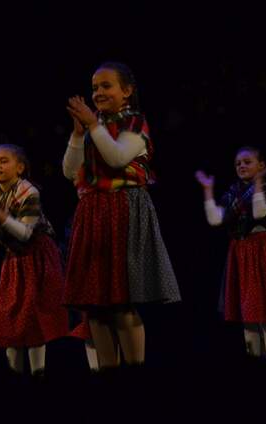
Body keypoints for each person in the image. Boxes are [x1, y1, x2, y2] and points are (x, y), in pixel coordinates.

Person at [62, 62, 181, 370]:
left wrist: (92, 125)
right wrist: (78, 133)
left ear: (127, 91)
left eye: (106, 86)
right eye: (94, 88)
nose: (98, 93)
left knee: (121, 303)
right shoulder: (94, 126)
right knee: (96, 307)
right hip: (92, 213)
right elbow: (70, 171)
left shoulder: (135, 122)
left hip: (123, 210)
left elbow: (116, 158)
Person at [0, 144, 69, 378]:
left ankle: (39, 373)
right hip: (13, 261)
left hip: (37, 257)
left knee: (34, 319)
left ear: (19, 168)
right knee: (11, 320)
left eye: (4, 161)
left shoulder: (28, 192)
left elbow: (26, 234)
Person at [195, 146, 266, 359]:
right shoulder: (234, 191)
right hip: (241, 253)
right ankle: (254, 359)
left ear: (261, 165)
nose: (241, 166)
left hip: (263, 251)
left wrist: (258, 183)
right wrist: (208, 190)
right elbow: (216, 219)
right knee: (248, 314)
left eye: (247, 162)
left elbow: (260, 213)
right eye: (238, 163)